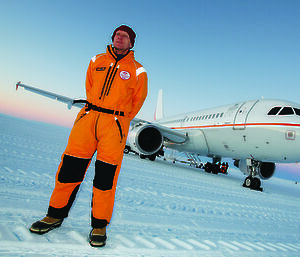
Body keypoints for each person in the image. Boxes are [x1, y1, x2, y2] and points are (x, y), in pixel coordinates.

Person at [29, 25, 148, 247]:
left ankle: (99, 225)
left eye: (125, 36)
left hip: (114, 126)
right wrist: (95, 110)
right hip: (88, 120)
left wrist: (117, 119)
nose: (119, 38)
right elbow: (89, 87)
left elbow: (136, 102)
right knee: (68, 170)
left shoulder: (138, 71)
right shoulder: (96, 61)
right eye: (116, 35)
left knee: (106, 178)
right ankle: (54, 215)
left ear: (132, 43)